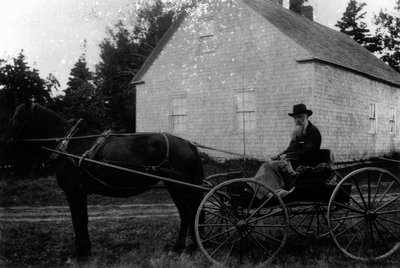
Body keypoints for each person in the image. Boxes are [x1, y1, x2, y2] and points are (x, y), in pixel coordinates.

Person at [252, 104, 321, 197]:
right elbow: (290, 149)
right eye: (295, 118)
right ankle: (260, 188)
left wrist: (287, 156)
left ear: (306, 116)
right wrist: (279, 155)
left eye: (300, 117)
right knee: (267, 164)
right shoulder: (298, 131)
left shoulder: (313, 132)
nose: (297, 120)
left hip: (306, 164)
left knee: (270, 166)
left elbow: (307, 153)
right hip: (294, 161)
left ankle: (270, 192)